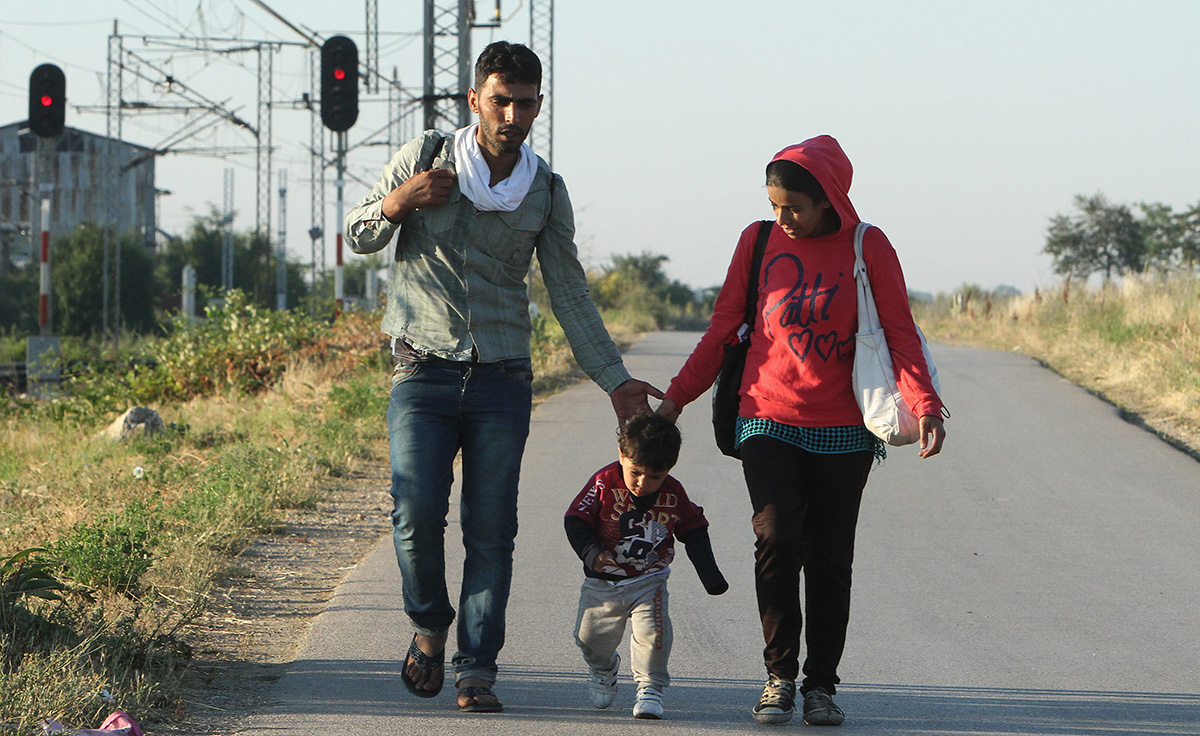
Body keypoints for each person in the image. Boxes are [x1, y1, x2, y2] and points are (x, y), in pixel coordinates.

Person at [343, 40, 663, 714]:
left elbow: (568, 293)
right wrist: (401, 200)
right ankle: (430, 626)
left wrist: (615, 380)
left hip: (501, 379)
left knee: (490, 528)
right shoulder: (426, 158)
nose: (512, 114)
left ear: (538, 106)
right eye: (500, 100)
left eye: (524, 103)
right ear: (475, 101)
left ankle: (476, 668)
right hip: (422, 371)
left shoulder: (544, 189)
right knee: (414, 513)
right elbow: (358, 234)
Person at [657, 135, 946, 726]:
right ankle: (779, 675)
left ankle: (821, 685)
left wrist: (926, 404)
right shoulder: (757, 241)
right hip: (765, 416)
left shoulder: (868, 246)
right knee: (777, 538)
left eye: (794, 206)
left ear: (828, 200)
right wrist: (675, 401)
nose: (782, 217)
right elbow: (721, 330)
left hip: (846, 426)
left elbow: (899, 333)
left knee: (830, 555)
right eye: (774, 205)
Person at [564, 411, 728, 720]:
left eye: (655, 476)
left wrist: (711, 576)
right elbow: (576, 518)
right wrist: (591, 552)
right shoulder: (604, 482)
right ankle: (603, 667)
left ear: (669, 469)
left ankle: (650, 688)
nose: (643, 483)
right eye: (636, 472)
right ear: (622, 455)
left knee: (654, 633)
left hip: (648, 580)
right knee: (589, 639)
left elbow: (693, 529)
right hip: (603, 582)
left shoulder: (673, 493)